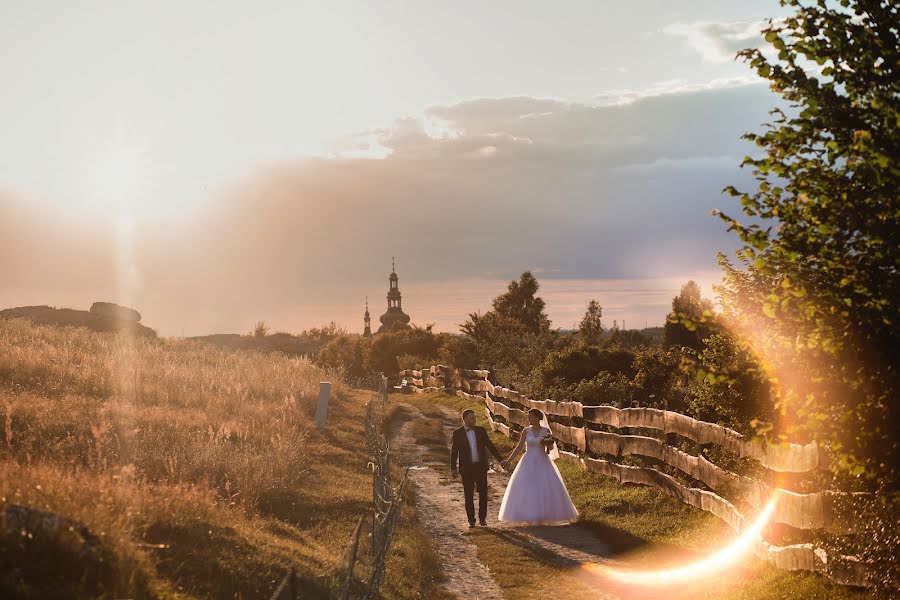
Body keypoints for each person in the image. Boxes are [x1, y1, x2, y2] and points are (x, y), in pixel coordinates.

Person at [498, 408, 578, 525]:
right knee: (528, 487)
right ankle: (529, 514)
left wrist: (548, 443)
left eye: (530, 417)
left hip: (542, 461)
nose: (528, 419)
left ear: (537, 418)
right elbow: (520, 447)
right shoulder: (526, 431)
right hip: (528, 461)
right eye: (528, 417)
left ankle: (543, 514)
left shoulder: (545, 431)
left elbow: (550, 449)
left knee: (543, 487)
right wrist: (509, 460)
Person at [450, 409, 506, 527]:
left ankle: (482, 519)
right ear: (465, 419)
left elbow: (490, 446)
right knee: (468, 495)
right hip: (466, 469)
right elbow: (454, 452)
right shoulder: (457, 433)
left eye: (475, 417)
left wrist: (500, 460)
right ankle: (471, 520)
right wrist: (453, 468)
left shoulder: (481, 431)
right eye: (471, 418)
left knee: (483, 494)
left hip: (481, 468)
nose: (474, 420)